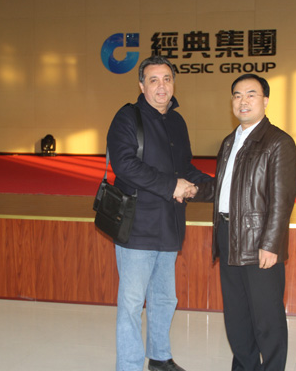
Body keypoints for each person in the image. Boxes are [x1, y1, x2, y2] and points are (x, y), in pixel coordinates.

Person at [107, 55, 211, 371]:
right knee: (131, 303)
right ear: (142, 85)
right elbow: (124, 165)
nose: (161, 86)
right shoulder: (128, 118)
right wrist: (172, 185)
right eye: (153, 80)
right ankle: (129, 366)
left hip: (170, 225)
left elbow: (184, 169)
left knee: (164, 298)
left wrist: (213, 186)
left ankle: (160, 358)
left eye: (167, 79)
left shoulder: (177, 122)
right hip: (137, 227)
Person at [188, 74, 296, 370]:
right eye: (237, 95)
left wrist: (271, 244)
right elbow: (225, 188)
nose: (243, 101)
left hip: (258, 240)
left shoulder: (278, 142)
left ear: (265, 100)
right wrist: (193, 190)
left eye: (251, 94)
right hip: (228, 234)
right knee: (236, 316)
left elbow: (282, 200)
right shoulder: (230, 141)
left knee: (267, 318)